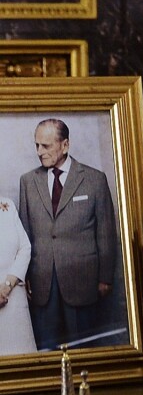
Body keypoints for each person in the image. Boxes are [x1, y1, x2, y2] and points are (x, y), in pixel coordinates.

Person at [19, 118, 117, 351]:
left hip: (83, 281)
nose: (39, 152)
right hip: (42, 283)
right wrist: (25, 277)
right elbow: (25, 234)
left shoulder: (94, 179)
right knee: (46, 349)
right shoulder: (28, 182)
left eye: (46, 146)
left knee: (83, 350)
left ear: (65, 145)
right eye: (37, 146)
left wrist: (105, 277)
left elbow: (105, 232)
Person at [0, 195, 37, 355]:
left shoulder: (6, 205)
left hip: (14, 297)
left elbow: (25, 247)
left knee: (24, 365)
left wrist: (7, 285)